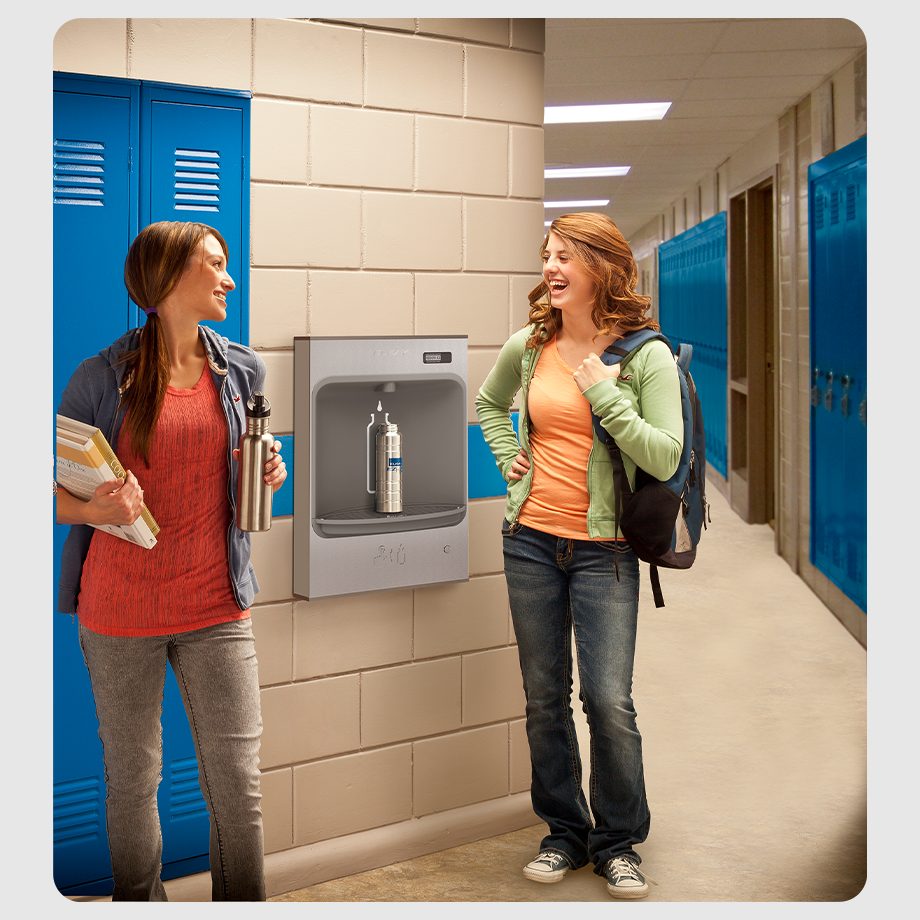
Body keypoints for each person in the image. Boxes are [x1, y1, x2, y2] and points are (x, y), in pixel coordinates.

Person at [55, 221, 287, 901]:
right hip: (120, 610)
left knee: (237, 783)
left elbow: (242, 466)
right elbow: (43, 487)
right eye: (215, 265)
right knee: (133, 782)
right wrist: (98, 511)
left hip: (217, 603)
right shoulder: (101, 377)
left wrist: (266, 468)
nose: (229, 278)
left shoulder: (243, 368)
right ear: (169, 279)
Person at [475, 212, 683, 900]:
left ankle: (617, 841)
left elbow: (664, 454)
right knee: (543, 699)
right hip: (531, 540)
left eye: (566, 256)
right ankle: (564, 831)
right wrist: (510, 457)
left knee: (607, 700)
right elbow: (489, 403)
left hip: (607, 553)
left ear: (603, 267)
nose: (551, 268)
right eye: (548, 255)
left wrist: (602, 391)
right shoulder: (530, 346)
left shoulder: (644, 355)